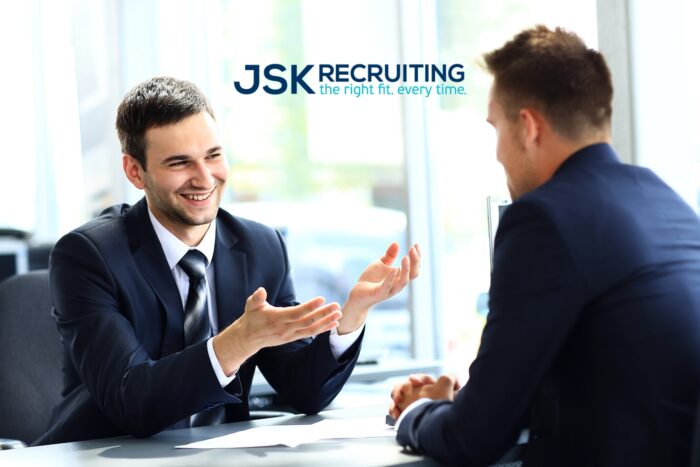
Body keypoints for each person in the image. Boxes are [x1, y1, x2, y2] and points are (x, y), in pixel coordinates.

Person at [35, 76, 420, 445]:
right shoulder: (88, 256)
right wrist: (237, 342)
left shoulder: (260, 246)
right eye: (179, 163)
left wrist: (353, 315)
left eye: (213, 156)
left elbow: (304, 392)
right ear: (135, 171)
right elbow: (131, 400)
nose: (204, 178)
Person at [389, 25, 700, 467]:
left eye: (495, 127)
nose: (497, 153)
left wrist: (417, 414)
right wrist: (466, 402)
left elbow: (473, 440)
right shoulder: (666, 202)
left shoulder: (543, 219)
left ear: (529, 126)